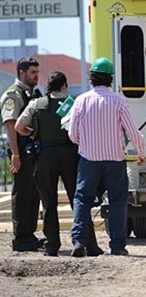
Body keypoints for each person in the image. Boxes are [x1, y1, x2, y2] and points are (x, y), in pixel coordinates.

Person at [15, 72, 103, 257]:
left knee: (49, 203)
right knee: (78, 201)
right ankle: (89, 245)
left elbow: (19, 127)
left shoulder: (36, 104)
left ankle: (52, 245)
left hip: (44, 157)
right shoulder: (74, 104)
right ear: (64, 86)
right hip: (70, 156)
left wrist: (34, 133)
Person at [69, 57, 146, 257]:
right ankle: (118, 246)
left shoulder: (81, 101)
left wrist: (85, 144)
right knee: (118, 201)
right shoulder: (119, 100)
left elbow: (72, 134)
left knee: (82, 199)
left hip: (88, 160)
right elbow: (131, 130)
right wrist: (141, 152)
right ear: (110, 79)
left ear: (91, 78)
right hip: (114, 161)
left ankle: (79, 242)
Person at [0, 57, 43, 252]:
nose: (36, 76)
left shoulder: (33, 93)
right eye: (33, 72)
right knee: (22, 192)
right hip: (21, 151)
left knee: (33, 193)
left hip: (32, 151)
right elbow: (11, 126)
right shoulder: (13, 95)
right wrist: (16, 155)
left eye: (37, 72)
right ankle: (21, 238)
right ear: (21, 73)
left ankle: (29, 234)